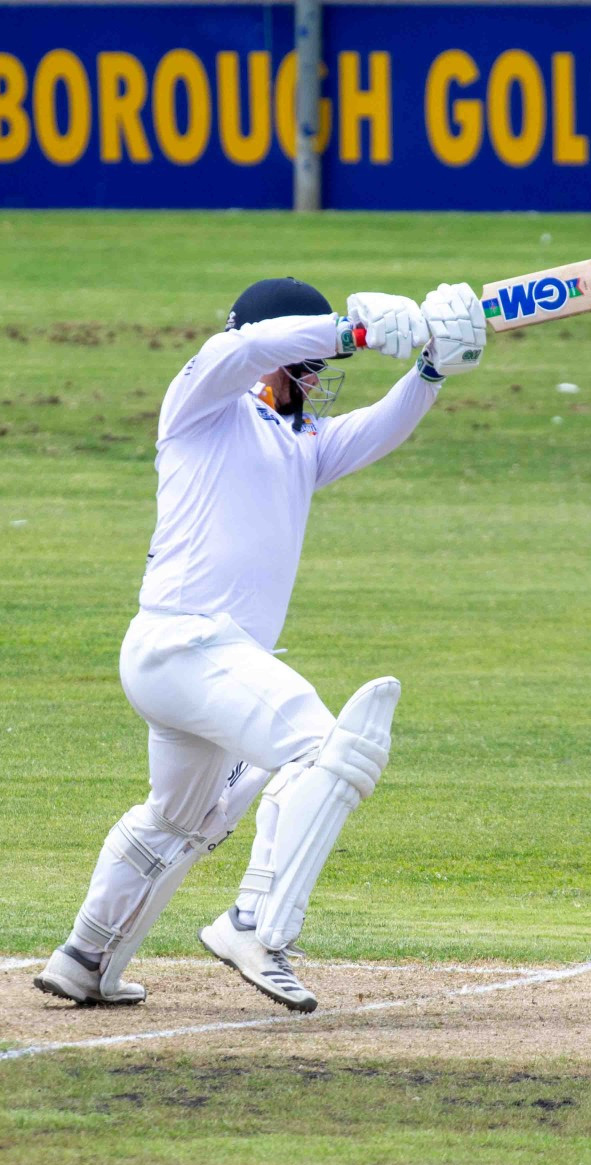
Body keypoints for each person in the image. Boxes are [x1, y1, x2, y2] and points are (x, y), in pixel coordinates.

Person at [34, 277, 486, 1012]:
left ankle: (86, 958)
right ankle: (253, 923)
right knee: (325, 748)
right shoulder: (206, 397)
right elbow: (252, 346)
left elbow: (373, 430)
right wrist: (353, 331)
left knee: (180, 818)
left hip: (194, 660)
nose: (314, 379)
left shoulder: (297, 440)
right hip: (190, 642)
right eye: (305, 360)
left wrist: (429, 371)